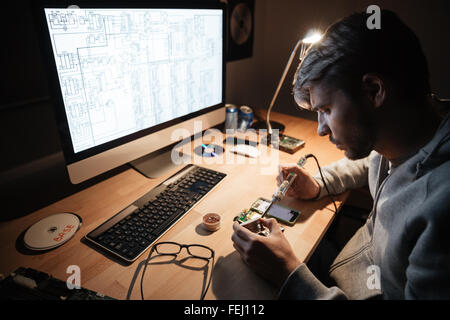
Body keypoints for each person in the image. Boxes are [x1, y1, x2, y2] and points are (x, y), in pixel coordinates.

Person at [231, 9, 450, 299]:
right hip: (353, 267)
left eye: (326, 110)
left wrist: (288, 274)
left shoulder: (439, 212)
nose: (321, 130)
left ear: (374, 90)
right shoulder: (408, 134)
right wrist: (319, 183)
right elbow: (371, 166)